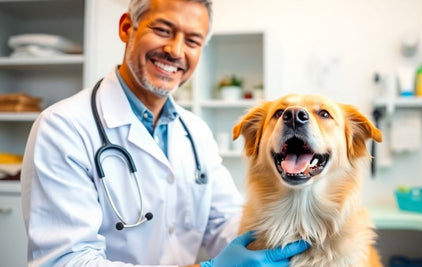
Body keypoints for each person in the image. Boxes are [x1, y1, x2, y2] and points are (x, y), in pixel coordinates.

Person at [20, 0, 309, 266]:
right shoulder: (63, 127)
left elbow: (228, 224)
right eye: (162, 30)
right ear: (126, 28)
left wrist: (304, 234)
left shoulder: (196, 132)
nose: (175, 50)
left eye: (193, 41)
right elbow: (66, 262)